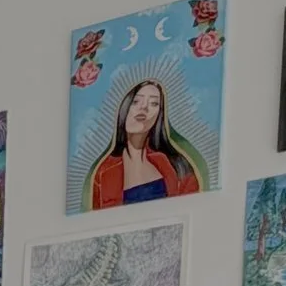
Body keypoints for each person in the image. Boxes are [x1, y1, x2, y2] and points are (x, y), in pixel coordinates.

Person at [83, 77, 201, 207]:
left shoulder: (178, 164)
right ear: (124, 108)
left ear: (159, 115)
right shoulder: (103, 172)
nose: (144, 108)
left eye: (154, 103)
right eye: (136, 101)